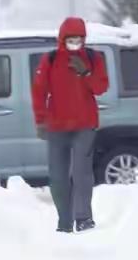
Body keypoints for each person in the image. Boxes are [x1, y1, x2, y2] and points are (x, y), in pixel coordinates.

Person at [32, 17, 110, 233]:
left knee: (82, 172)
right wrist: (40, 120)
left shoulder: (93, 58)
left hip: (85, 125)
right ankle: (64, 221)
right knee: (58, 177)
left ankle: (83, 218)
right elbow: (39, 91)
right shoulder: (51, 59)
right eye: (71, 39)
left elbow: (101, 87)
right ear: (62, 39)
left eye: (79, 39)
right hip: (57, 126)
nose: (75, 43)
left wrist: (86, 72)